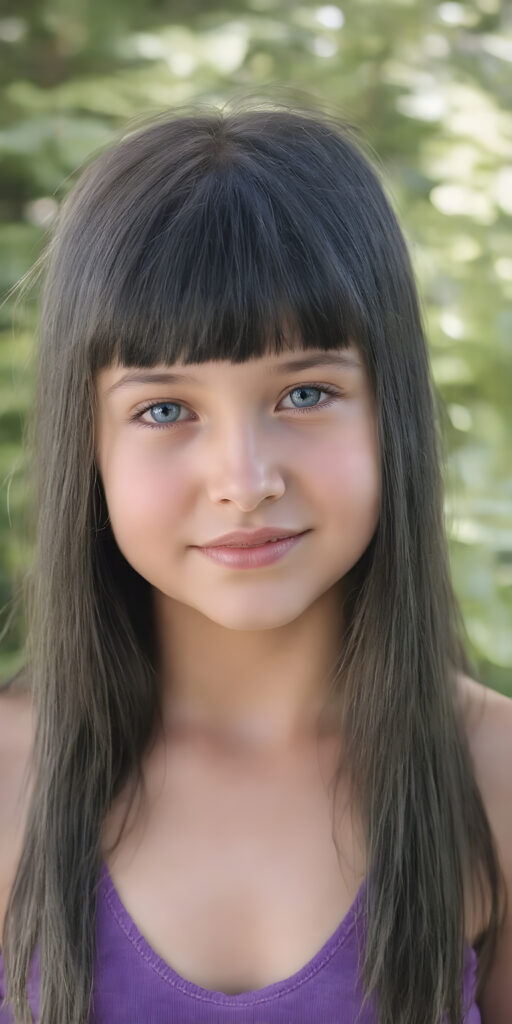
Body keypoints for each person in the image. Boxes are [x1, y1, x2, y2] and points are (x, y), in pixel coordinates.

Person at [0, 100, 511, 1024]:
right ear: (89, 443)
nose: (244, 479)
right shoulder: (8, 776)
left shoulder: (497, 782)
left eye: (306, 392)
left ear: (391, 408)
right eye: (164, 409)